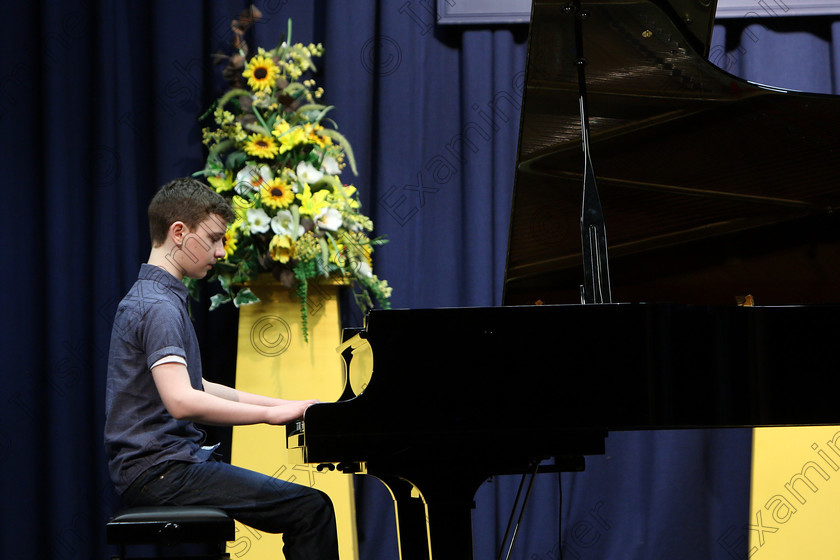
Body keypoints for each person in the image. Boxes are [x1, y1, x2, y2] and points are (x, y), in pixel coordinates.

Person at [104, 177, 339, 560]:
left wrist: (282, 404)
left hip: (162, 467)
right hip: (161, 471)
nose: (221, 250)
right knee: (310, 508)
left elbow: (197, 384)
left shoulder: (157, 297)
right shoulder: (158, 306)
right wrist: (268, 416)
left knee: (308, 505)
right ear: (178, 232)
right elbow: (181, 401)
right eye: (214, 238)